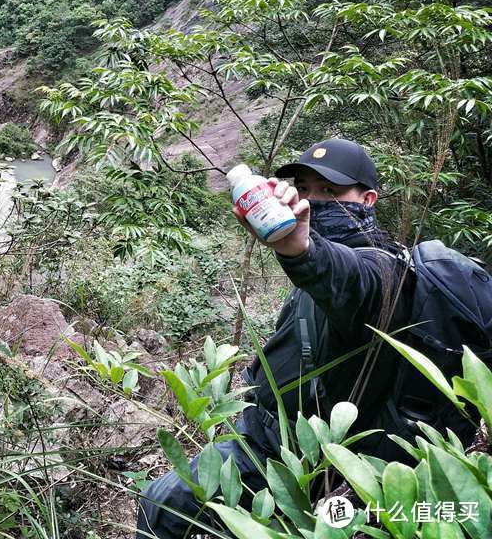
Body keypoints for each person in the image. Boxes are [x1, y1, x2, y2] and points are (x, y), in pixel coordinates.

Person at [135, 137, 482, 538]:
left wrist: (300, 250)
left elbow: (344, 276)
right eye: (303, 188)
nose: (311, 200)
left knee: (164, 506)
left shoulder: (380, 272)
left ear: (367, 200)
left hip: (301, 458)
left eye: (330, 191)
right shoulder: (347, 252)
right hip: (269, 436)